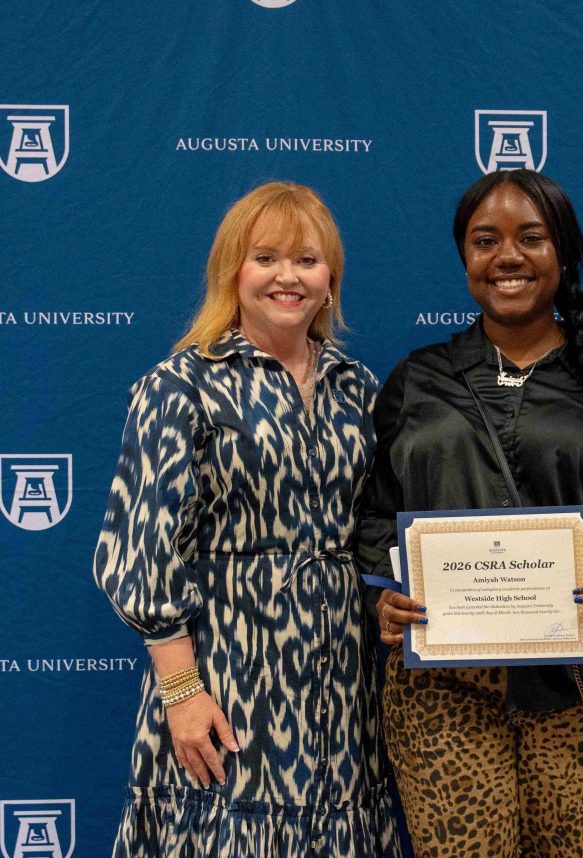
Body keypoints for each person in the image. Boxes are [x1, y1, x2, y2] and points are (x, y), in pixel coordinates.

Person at [356, 169, 583, 858]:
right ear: (464, 258)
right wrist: (385, 596)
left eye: (531, 238)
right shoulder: (416, 381)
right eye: (485, 240)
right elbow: (375, 519)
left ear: (563, 254)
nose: (507, 256)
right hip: (442, 687)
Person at [94, 182, 402, 856]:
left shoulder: (359, 387)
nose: (288, 277)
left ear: (331, 280)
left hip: (341, 680)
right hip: (228, 671)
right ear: (233, 270)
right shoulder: (179, 385)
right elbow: (141, 551)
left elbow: (383, 526)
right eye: (266, 257)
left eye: (307, 261)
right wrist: (181, 692)